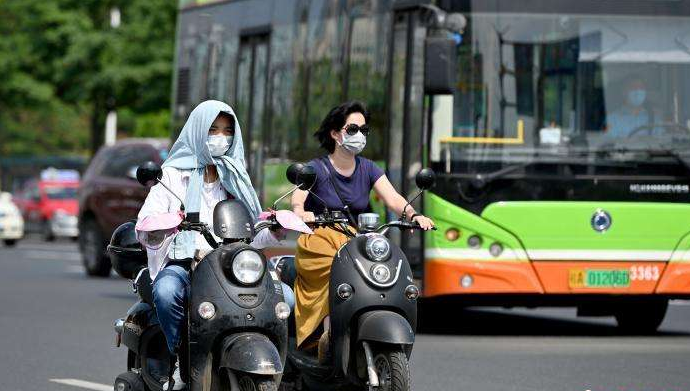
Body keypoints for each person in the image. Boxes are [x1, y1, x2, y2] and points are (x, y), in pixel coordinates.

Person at [136, 100, 290, 390]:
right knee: (167, 292)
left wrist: (274, 228)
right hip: (187, 262)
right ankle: (181, 354)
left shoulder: (235, 176)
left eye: (227, 131)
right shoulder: (170, 176)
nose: (221, 137)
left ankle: (283, 367)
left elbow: (252, 234)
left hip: (234, 266)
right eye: (213, 130)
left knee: (286, 299)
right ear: (197, 131)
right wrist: (170, 223)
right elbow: (145, 226)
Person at [290, 101, 435, 362]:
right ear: (336, 133)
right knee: (334, 270)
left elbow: (393, 199)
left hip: (357, 241)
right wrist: (302, 213)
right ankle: (327, 333)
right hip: (320, 239)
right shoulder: (316, 169)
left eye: (364, 130)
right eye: (353, 128)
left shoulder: (369, 169)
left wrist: (414, 215)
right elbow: (297, 199)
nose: (360, 135)